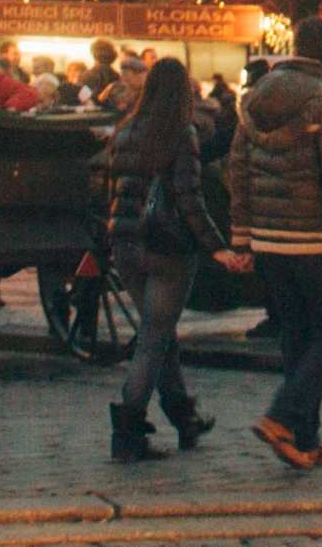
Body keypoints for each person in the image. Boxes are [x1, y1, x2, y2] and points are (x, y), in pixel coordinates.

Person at [216, 15, 322, 472]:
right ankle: (281, 417)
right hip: (317, 240)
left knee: (297, 336)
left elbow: (238, 172)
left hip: (268, 241)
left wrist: (242, 239)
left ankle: (305, 439)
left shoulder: (254, 100)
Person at [101, 54, 219, 461]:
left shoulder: (126, 130)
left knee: (159, 333)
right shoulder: (179, 133)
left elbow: (111, 189)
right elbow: (189, 198)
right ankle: (128, 430)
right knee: (153, 339)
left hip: (127, 244)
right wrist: (215, 244)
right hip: (166, 247)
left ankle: (185, 417)